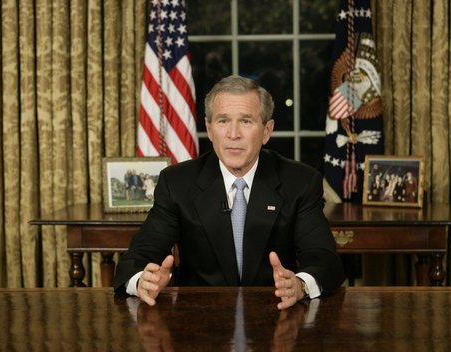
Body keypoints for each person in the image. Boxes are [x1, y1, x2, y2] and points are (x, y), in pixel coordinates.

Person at [113, 75, 345, 310]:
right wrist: (142, 280)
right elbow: (137, 257)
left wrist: (300, 285)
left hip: (274, 315)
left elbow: (325, 260)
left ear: (266, 131)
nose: (233, 134)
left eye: (245, 121)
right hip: (198, 319)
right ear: (209, 129)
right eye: (223, 121)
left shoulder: (300, 182)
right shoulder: (177, 183)